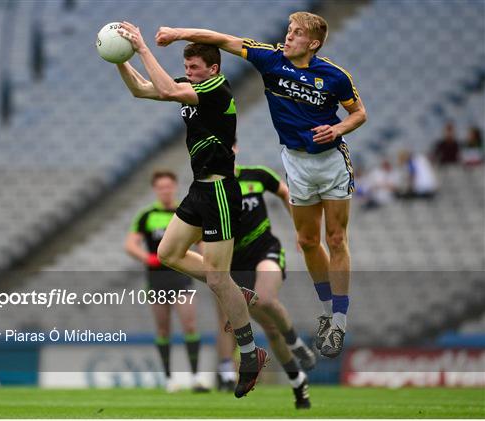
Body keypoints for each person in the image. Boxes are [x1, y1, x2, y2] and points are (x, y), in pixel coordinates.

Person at [155, 10, 367, 358]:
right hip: (296, 162)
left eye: (296, 33)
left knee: (336, 238)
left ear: (312, 43)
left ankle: (337, 319)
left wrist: (339, 128)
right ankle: (328, 308)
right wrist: (178, 33)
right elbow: (223, 40)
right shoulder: (270, 59)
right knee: (308, 240)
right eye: (288, 30)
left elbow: (359, 112)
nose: (288, 36)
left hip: (330, 161)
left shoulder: (335, 77)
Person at [116, 21, 268, 398]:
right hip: (199, 190)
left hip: (219, 189)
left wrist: (141, 48)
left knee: (217, 279)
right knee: (168, 253)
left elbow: (165, 88)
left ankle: (250, 353)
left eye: (195, 68)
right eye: (187, 69)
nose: (190, 74)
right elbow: (140, 90)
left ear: (213, 69)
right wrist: (118, 58)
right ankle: (234, 290)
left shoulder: (216, 87)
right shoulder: (193, 89)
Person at [219, 145, 315, 409]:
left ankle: (296, 343)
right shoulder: (211, 190)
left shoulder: (257, 176)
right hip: (236, 268)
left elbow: (284, 192)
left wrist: (300, 228)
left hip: (266, 251)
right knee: (271, 330)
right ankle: (298, 382)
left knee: (265, 298)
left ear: (235, 148)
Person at [125, 171, 208, 393]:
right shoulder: (146, 215)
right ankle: (169, 378)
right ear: (155, 189)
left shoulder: (185, 212)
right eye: (161, 187)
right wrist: (147, 257)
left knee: (189, 324)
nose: (165, 190)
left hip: (182, 276)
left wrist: (210, 262)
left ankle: (196, 377)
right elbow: (131, 244)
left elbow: (201, 241)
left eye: (168, 186)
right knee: (163, 329)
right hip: (156, 279)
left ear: (175, 187)